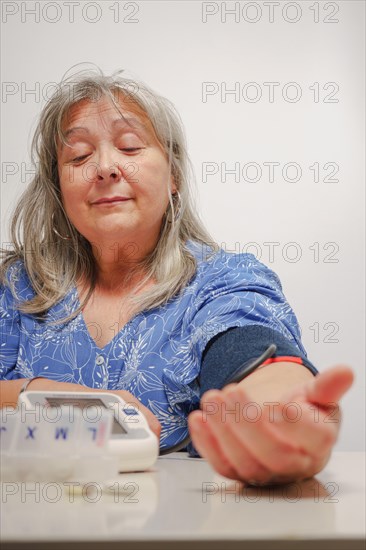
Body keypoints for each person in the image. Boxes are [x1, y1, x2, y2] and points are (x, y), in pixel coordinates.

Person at [0, 66, 354, 485]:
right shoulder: (16, 286)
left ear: (174, 177)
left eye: (130, 147)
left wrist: (281, 409)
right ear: (59, 189)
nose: (105, 167)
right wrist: (50, 396)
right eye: (78, 155)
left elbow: (251, 350)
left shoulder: (222, 279)